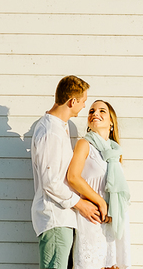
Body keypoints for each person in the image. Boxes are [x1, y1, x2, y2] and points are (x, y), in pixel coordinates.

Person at [30, 76, 102, 269]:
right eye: (84, 101)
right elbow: (50, 182)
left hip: (61, 218)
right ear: (72, 101)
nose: (84, 105)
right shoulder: (51, 132)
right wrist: (81, 204)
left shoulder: (58, 128)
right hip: (55, 217)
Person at [67, 99, 131, 269]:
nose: (95, 113)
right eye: (91, 111)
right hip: (92, 218)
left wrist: (113, 209)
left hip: (114, 221)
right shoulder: (84, 144)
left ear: (111, 122)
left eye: (102, 111)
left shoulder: (114, 151)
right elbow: (73, 177)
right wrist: (102, 202)